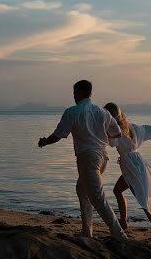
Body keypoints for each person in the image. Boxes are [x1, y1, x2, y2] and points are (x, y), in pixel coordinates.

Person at [38, 80, 127, 240]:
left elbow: (58, 135)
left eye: (74, 93)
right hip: (102, 158)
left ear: (78, 93)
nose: (73, 96)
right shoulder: (102, 112)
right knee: (82, 190)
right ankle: (87, 233)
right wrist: (105, 137)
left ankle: (119, 235)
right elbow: (118, 133)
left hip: (88, 159)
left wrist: (44, 142)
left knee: (98, 198)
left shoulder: (72, 112)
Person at [103, 102, 151, 239]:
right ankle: (124, 222)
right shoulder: (131, 127)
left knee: (141, 197)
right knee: (122, 191)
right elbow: (145, 130)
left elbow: (112, 143)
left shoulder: (115, 130)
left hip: (131, 166)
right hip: (135, 163)